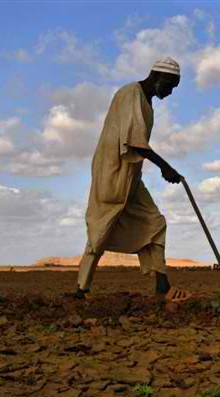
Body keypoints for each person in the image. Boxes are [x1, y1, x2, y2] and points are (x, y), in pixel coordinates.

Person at [73, 57, 191, 302]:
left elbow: (136, 143)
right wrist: (165, 167)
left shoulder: (147, 103)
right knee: (101, 228)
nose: (170, 92)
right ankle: (81, 290)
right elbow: (134, 140)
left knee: (155, 222)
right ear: (157, 77)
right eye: (169, 86)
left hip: (131, 176)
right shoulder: (131, 94)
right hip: (112, 174)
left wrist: (164, 168)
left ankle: (162, 286)